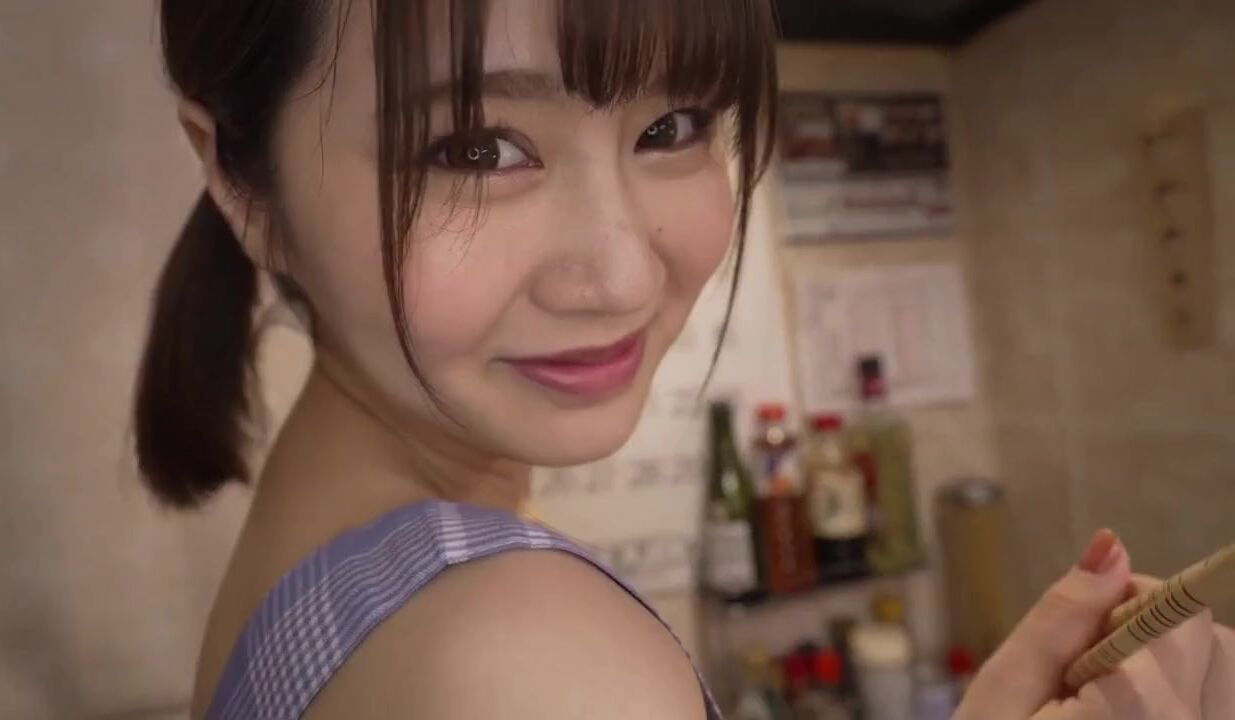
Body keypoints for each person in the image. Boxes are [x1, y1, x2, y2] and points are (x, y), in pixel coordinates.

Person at [134, 1, 1233, 718]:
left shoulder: (321, 561)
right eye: (474, 147)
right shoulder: (528, 663)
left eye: (673, 128)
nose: (621, 275)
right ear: (238, 180)